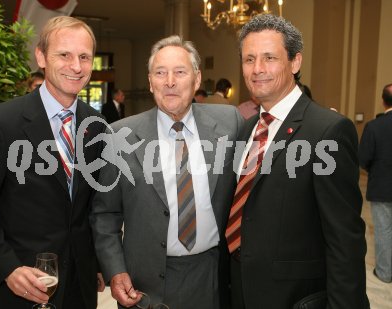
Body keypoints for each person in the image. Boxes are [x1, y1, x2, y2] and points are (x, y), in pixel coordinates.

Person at [0, 16, 106, 309]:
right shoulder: (3, 124)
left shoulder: (97, 124)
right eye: (64, 54)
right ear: (41, 56)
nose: (76, 66)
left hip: (81, 287)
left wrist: (98, 263)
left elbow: (92, 206)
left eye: (84, 57)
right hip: (25, 288)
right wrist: (7, 268)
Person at [90, 35, 245, 309]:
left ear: (197, 79)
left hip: (211, 277)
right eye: (160, 73)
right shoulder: (119, 135)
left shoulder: (229, 123)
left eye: (180, 72)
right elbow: (105, 214)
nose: (170, 81)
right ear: (150, 81)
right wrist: (115, 270)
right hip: (144, 285)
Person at [227, 14, 369, 308]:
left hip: (294, 298)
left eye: (269, 58)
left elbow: (344, 241)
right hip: (240, 291)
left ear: (295, 62)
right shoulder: (245, 130)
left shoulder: (328, 131)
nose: (257, 69)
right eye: (249, 59)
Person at [359, 83, 392, 284]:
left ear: (382, 101)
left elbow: (363, 159)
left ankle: (385, 272)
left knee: (383, 230)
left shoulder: (374, 126)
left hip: (382, 186)